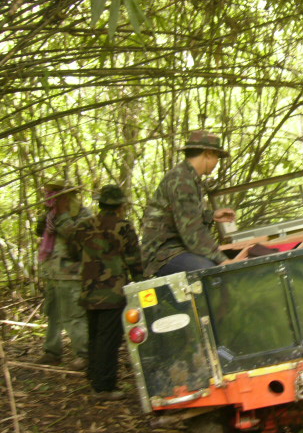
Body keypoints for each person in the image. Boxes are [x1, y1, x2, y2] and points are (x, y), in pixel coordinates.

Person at [141, 131, 248, 278]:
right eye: (217, 157)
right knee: (212, 273)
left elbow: (184, 216)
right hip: (163, 253)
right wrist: (223, 261)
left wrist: (211, 215)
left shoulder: (188, 176)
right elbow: (192, 230)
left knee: (215, 266)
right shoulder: (181, 179)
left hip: (178, 249)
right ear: (208, 154)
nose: (217, 162)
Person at [72, 184, 143, 400]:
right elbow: (134, 259)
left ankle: (94, 377)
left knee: (95, 336)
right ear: (120, 206)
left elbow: (74, 253)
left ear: (101, 204)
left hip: (89, 289)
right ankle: (104, 387)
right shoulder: (124, 227)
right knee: (108, 339)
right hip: (113, 292)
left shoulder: (83, 226)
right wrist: (141, 283)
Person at [35, 180, 90, 370]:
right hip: (53, 273)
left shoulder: (83, 214)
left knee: (75, 316)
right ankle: (52, 352)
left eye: (54, 195)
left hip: (72, 274)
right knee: (53, 314)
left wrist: (64, 214)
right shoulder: (51, 215)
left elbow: (77, 238)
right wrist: (49, 214)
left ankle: (84, 354)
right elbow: (39, 232)